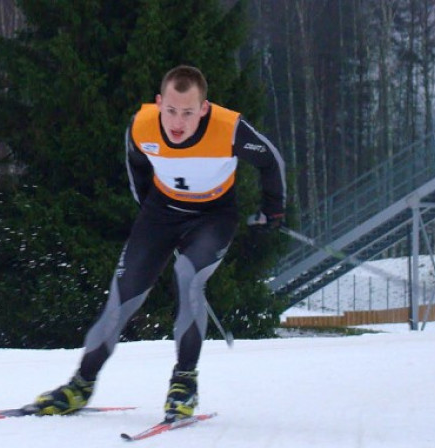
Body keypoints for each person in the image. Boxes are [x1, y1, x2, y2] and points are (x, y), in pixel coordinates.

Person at [25, 65, 286, 421]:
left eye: (189, 113)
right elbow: (137, 168)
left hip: (213, 215)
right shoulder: (142, 125)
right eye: (171, 111)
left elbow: (271, 161)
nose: (178, 123)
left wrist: (273, 211)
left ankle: (184, 384)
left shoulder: (230, 129)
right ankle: (79, 386)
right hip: (160, 214)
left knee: (187, 274)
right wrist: (154, 219)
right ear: (160, 103)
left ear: (204, 109)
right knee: (122, 296)